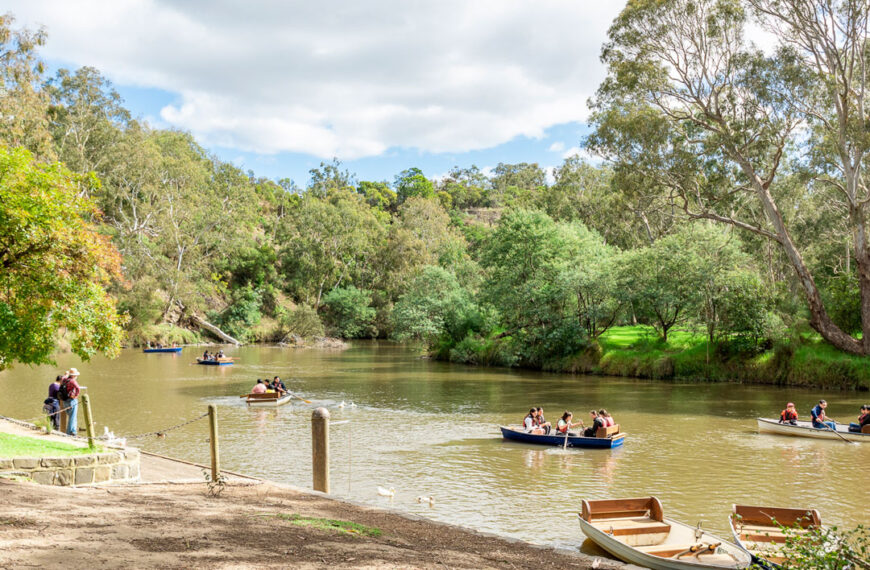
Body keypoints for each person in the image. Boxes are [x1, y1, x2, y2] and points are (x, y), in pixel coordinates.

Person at [59, 368, 82, 436]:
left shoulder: (64, 379)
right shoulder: (73, 381)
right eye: (76, 375)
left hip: (65, 400)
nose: (76, 376)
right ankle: (69, 433)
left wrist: (66, 374)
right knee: (72, 417)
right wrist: (76, 395)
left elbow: (63, 377)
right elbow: (78, 388)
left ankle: (73, 431)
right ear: (73, 375)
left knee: (72, 417)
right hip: (72, 400)